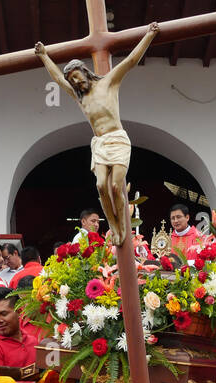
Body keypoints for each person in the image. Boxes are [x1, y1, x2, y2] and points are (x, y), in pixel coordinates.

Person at [35, 23, 159, 245]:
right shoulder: (80, 98)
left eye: (76, 76)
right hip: (100, 143)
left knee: (114, 186)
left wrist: (148, 35)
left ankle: (122, 226)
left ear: (84, 71)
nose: (75, 81)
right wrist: (44, 56)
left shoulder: (108, 82)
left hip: (118, 139)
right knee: (101, 185)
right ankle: (113, 224)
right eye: (72, 79)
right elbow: (57, 79)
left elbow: (130, 61)